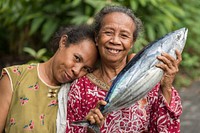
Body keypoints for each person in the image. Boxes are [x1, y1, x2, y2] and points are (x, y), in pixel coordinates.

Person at [65, 5, 182, 133]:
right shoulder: (80, 88)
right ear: (97, 38)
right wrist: (91, 130)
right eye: (108, 32)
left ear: (132, 43)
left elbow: (168, 130)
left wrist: (166, 87)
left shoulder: (151, 80)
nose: (115, 40)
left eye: (124, 35)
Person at [0, 25, 99, 132]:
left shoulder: (77, 96)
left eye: (86, 69)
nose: (77, 70)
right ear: (63, 42)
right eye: (77, 58)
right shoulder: (15, 77)